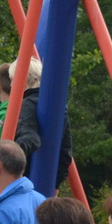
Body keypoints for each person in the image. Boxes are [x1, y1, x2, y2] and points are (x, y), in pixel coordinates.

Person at [12, 55, 74, 190]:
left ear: (23, 80)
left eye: (12, 80)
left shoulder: (27, 104)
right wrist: (56, 183)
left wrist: (6, 156)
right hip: (48, 179)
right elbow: (65, 148)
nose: (11, 85)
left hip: (26, 180)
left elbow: (31, 139)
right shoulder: (58, 106)